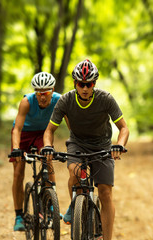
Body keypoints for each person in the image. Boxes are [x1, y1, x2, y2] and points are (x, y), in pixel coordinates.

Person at [41, 59, 129, 240]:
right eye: (81, 84)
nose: (85, 88)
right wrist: (48, 146)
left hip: (103, 145)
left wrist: (119, 145)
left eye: (88, 84)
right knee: (74, 172)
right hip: (78, 143)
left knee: (105, 192)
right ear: (75, 83)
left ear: (94, 84)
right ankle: (76, 206)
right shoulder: (66, 100)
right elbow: (49, 130)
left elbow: (124, 128)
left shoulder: (106, 99)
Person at [9, 72, 61, 231]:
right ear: (35, 93)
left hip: (43, 133)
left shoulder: (60, 100)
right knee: (18, 172)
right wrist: (17, 149)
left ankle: (52, 206)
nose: (42, 97)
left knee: (48, 159)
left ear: (52, 91)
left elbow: (70, 124)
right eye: (39, 93)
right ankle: (19, 216)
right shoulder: (26, 101)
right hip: (24, 134)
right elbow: (16, 129)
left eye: (45, 93)